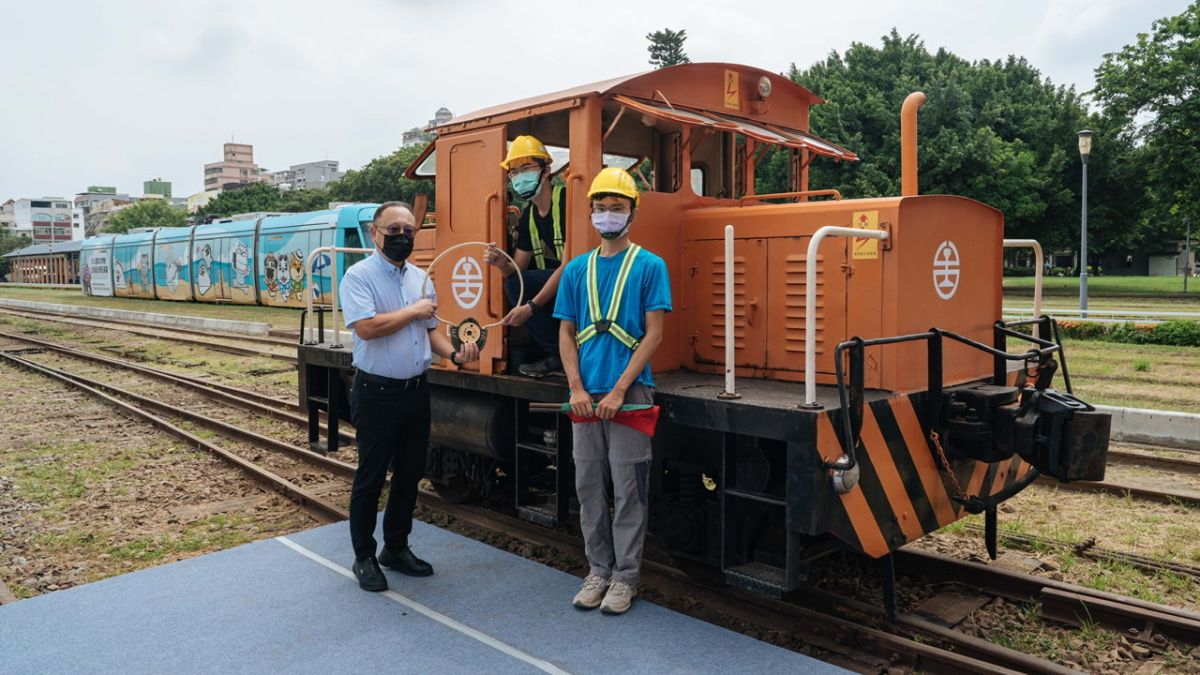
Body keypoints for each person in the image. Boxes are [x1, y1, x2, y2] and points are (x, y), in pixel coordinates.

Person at [339, 201, 480, 592]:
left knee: (409, 475)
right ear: (375, 233)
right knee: (370, 477)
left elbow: (430, 329)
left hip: (416, 391)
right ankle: (364, 555)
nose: (402, 237)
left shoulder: (420, 277)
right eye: (394, 230)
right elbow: (367, 328)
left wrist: (453, 354)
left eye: (408, 230)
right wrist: (414, 310)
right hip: (376, 392)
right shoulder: (359, 276)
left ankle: (396, 548)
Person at [554, 168, 671, 614]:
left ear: (632, 213)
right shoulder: (576, 270)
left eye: (616, 208)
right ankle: (598, 570)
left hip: (631, 394)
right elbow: (566, 334)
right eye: (600, 208)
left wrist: (620, 390)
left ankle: (625, 579)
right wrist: (577, 387)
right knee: (587, 486)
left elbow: (654, 334)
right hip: (586, 397)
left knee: (628, 489)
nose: (607, 215)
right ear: (590, 213)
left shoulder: (649, 265)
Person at [484, 135, 568, 378]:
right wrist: (501, 263)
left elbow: (571, 263)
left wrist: (531, 307)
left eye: (527, 168)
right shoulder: (529, 215)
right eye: (513, 172)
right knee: (514, 283)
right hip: (559, 282)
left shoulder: (566, 201)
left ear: (546, 170)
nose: (519, 176)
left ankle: (563, 353)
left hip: (581, 279)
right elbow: (517, 270)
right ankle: (558, 355)